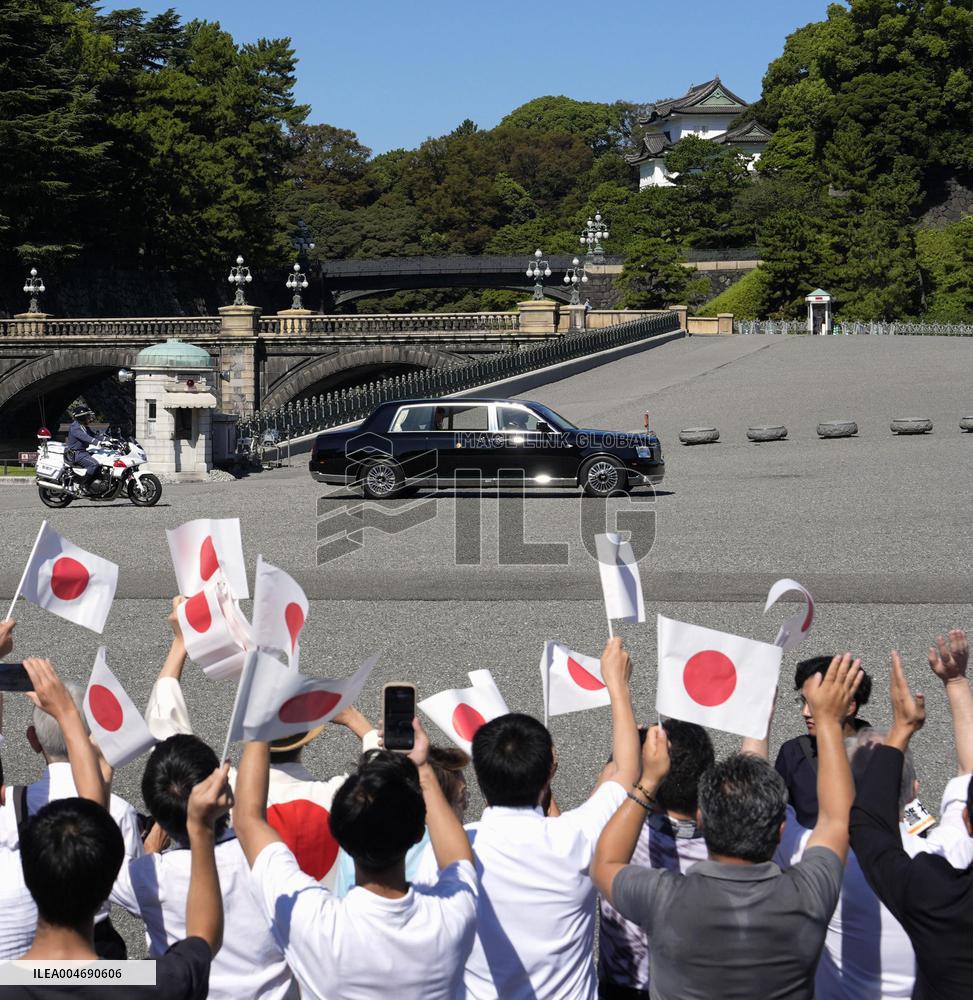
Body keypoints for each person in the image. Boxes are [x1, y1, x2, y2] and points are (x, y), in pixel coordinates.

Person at [595, 653, 863, 999]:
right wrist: (829, 721)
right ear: (780, 830)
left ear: (704, 818)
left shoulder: (665, 898)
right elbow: (836, 818)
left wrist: (647, 781)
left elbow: (606, 863)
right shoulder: (809, 895)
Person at [233, 718, 479, 1000]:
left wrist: (260, 724)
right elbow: (458, 859)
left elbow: (248, 820)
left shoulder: (316, 922)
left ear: (339, 835)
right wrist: (422, 768)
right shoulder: (452, 915)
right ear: (417, 835)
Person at [453, 636, 640, 1000]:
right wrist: (618, 685)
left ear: (477, 776)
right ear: (550, 771)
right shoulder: (576, 836)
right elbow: (626, 770)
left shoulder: (456, 850)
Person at [145, 596, 380, 886]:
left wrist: (180, 644)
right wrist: (357, 722)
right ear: (306, 737)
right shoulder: (340, 798)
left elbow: (168, 736)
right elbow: (384, 778)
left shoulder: (222, 794)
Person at [9, 763, 232, 999]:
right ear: (109, 885)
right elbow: (203, 938)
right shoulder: (151, 983)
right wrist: (200, 828)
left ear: (27, 876)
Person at [110, 735, 296, 1000]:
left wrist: (150, 850)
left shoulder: (149, 876)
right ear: (222, 785)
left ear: (155, 812)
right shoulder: (267, 857)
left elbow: (96, 863)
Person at [850, 645, 973, 999]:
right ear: (913, 791)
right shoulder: (943, 854)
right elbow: (968, 772)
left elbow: (866, 827)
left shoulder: (807, 856)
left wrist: (901, 729)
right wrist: (957, 682)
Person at [0, 680, 143, 958]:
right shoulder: (119, 810)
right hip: (97, 942)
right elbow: (137, 899)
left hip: (29, 945)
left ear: (33, 739)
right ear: (93, 738)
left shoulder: (9, 804)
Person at [598, 721, 714, 999]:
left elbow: (610, 785)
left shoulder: (614, 829)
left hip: (621, 983)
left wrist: (625, 758)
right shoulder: (725, 846)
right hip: (689, 987)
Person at [338, 744, 470, 895]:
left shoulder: (356, 830)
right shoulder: (439, 855)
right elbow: (462, 872)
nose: (466, 805)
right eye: (462, 797)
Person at [775, 653, 873, 827]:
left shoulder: (885, 753)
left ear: (850, 706)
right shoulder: (792, 752)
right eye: (803, 702)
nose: (805, 712)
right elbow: (775, 819)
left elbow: (915, 827)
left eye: (815, 703)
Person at [64, 406, 100, 486]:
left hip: (82, 452)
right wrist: (98, 443)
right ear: (82, 417)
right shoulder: (75, 427)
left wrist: (110, 440)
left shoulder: (83, 426)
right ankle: (83, 485)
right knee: (94, 464)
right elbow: (86, 437)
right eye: (87, 416)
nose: (89, 418)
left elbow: (94, 436)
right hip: (76, 454)